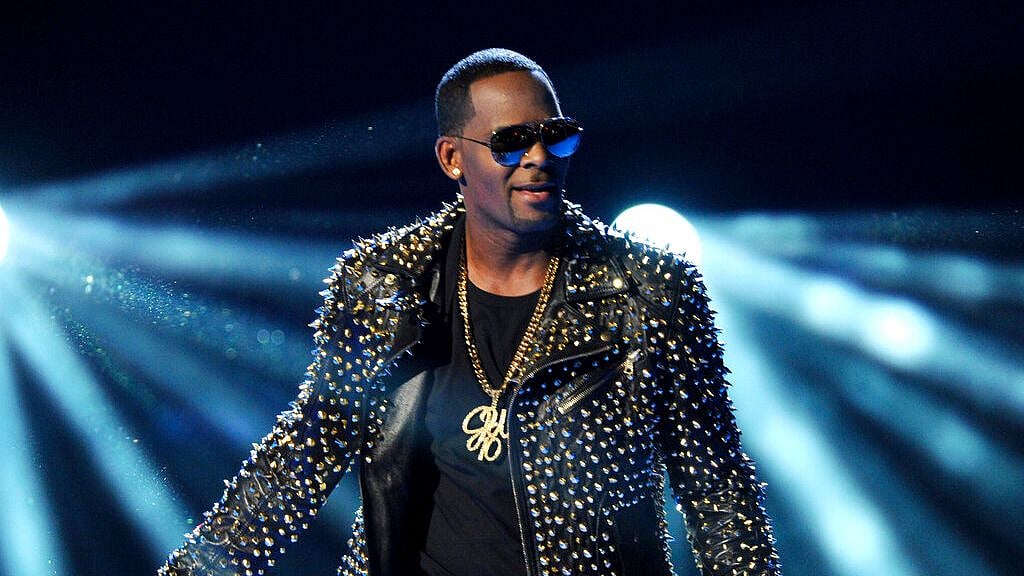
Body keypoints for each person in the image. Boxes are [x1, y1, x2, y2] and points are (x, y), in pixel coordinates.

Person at [159, 48, 781, 576]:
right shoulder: (385, 287)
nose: (539, 157)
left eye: (556, 135)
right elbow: (303, 456)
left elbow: (719, 491)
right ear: (452, 158)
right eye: (511, 143)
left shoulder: (648, 291)